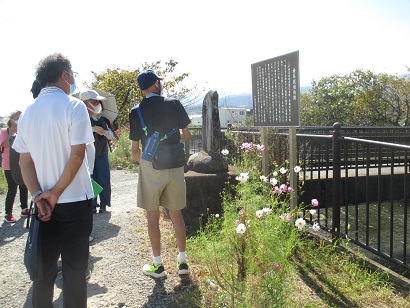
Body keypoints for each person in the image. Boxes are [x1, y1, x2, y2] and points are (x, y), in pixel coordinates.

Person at [13, 53, 94, 308]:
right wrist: (56, 193)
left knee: (43, 274)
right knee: (74, 270)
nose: (73, 79)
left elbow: (24, 162)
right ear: (64, 75)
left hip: (43, 207)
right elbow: (77, 156)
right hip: (74, 200)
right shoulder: (74, 106)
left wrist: (38, 195)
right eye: (72, 74)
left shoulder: (28, 113)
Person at [129, 69, 192, 278]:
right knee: (176, 214)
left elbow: (135, 150)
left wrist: (146, 163)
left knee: (152, 216)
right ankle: (182, 262)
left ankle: (158, 265)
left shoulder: (135, 111)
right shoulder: (173, 103)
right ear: (157, 83)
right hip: (174, 165)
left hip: (151, 165)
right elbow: (187, 135)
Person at [80, 89, 113, 213]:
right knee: (90, 179)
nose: (98, 104)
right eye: (95, 101)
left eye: (98, 102)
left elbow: (111, 135)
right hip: (87, 155)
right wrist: (93, 129)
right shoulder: (81, 120)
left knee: (103, 178)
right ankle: (92, 204)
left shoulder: (103, 120)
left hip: (102, 153)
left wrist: (103, 131)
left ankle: (104, 203)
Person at [0, 110, 29, 223]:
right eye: (17, 118)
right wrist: (12, 130)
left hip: (21, 163)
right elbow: (6, 144)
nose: (19, 120)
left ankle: (24, 209)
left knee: (24, 185)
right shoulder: (4, 131)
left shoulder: (23, 131)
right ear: (11, 120)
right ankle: (8, 214)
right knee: (12, 188)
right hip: (8, 165)